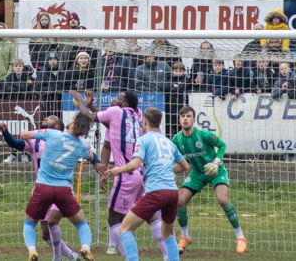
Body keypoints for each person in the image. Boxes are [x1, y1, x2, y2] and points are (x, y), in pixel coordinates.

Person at [75, 91, 176, 259]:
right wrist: (92, 105)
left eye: (119, 97)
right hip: (140, 174)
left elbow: (89, 116)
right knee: (151, 216)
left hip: (125, 174)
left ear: (124, 103)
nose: (115, 98)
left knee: (114, 219)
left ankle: (128, 256)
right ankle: (167, 255)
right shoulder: (137, 115)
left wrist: (79, 101)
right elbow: (107, 126)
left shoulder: (116, 113)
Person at [107, 107, 190, 261]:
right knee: (168, 233)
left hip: (155, 191)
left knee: (125, 227)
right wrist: (167, 170)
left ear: (144, 121)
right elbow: (185, 166)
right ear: (159, 123)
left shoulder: (144, 139)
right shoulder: (168, 142)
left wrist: (118, 170)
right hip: (172, 192)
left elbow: (134, 164)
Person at [0, 116, 83, 261]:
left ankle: (58, 258)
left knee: (52, 221)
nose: (46, 118)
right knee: (45, 233)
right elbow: (15, 143)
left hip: (62, 187)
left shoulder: (64, 140)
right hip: (43, 187)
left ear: (57, 127)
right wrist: (5, 133)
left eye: (51, 118)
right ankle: (71, 256)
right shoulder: (35, 141)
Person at [20, 112, 102, 261]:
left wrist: (37, 136)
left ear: (73, 123)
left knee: (29, 223)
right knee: (81, 223)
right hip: (63, 190)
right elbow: (91, 157)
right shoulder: (81, 146)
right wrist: (96, 162)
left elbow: (23, 135)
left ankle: (32, 251)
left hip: (43, 187)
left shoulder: (51, 134)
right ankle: (85, 247)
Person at [172, 105, 247, 254]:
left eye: (188, 116)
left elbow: (222, 145)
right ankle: (185, 236)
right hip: (197, 173)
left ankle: (240, 237)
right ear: (179, 119)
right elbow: (178, 163)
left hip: (215, 170)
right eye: (183, 116)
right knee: (179, 201)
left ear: (194, 119)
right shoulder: (176, 140)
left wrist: (216, 162)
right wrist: (169, 170)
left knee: (223, 200)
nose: (185, 119)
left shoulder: (204, 135)